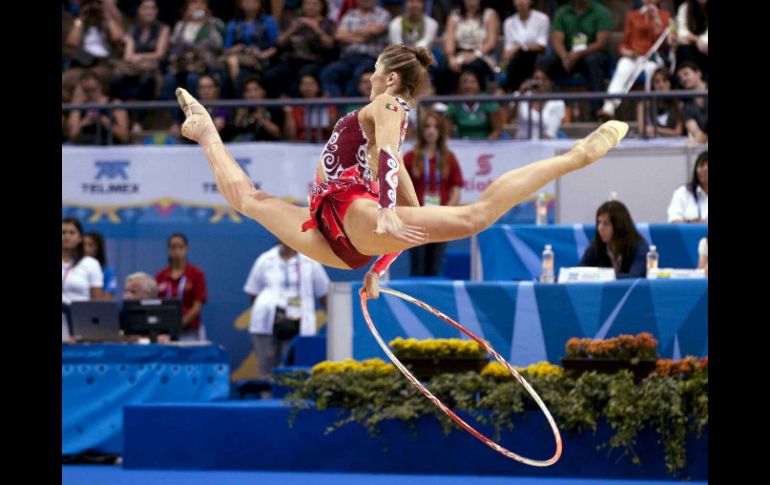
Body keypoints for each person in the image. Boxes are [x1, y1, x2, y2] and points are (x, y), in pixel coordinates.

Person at [174, 44, 628, 299]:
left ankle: (575, 157)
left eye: (375, 70)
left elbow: (392, 154)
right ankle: (208, 133)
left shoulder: (389, 105)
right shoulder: (378, 111)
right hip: (336, 230)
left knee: (475, 217)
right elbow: (408, 201)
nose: (369, 77)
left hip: (352, 212)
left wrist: (386, 212)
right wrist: (381, 264)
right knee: (248, 200)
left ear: (391, 79)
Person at [243, 240, 330, 384]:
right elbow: (253, 292)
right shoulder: (265, 260)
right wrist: (267, 306)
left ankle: (295, 402)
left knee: (298, 367)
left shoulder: (310, 262)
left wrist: (333, 318)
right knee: (267, 368)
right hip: (267, 321)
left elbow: (324, 293)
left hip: (299, 320)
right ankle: (267, 403)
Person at [404, 110, 464, 276]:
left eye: (435, 127)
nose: (431, 130)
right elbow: (400, 189)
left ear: (440, 131)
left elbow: (456, 189)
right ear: (421, 131)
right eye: (427, 126)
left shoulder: (448, 158)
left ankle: (430, 302)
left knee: (435, 268)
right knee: (418, 268)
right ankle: (415, 301)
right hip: (417, 220)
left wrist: (447, 212)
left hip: (440, 219)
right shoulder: (410, 157)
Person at [596, 0, 670, 120]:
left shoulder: (664, 15)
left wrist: (656, 18)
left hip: (652, 57)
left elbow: (662, 43)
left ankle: (649, 113)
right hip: (634, 56)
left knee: (651, 70)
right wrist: (627, 52)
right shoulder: (632, 16)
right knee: (623, 65)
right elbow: (624, 44)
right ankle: (609, 107)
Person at [155, 233, 209, 340]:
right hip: (164, 331)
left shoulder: (197, 274)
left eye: (180, 247)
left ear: (187, 249)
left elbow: (197, 306)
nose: (176, 251)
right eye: (173, 247)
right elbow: (155, 304)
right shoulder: (160, 276)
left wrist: (179, 324)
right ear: (168, 250)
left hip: (189, 330)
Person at [579, 200, 649, 279]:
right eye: (599, 222)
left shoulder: (639, 247)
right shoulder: (595, 247)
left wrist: (603, 276)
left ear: (620, 226)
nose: (600, 228)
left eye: (606, 224)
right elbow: (580, 273)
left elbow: (635, 278)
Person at [62, 218, 104, 341]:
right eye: (63, 232)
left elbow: (96, 302)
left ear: (80, 238)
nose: (66, 236)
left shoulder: (91, 264)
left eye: (71, 233)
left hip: (80, 322)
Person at [635, 67, 683, 138]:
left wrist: (656, 129)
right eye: (657, 82)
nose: (661, 85)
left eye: (665, 81)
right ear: (653, 85)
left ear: (670, 83)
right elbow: (642, 130)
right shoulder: (643, 105)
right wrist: (668, 132)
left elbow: (678, 132)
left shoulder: (678, 104)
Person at [667, 150, 707, 223]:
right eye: (701, 165)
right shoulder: (683, 192)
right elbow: (673, 220)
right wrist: (689, 222)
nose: (705, 169)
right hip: (689, 234)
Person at [84, 232, 118, 299]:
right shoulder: (71, 267)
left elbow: (106, 298)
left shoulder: (108, 271)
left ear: (98, 248)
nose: (85, 248)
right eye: (83, 245)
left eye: (90, 245)